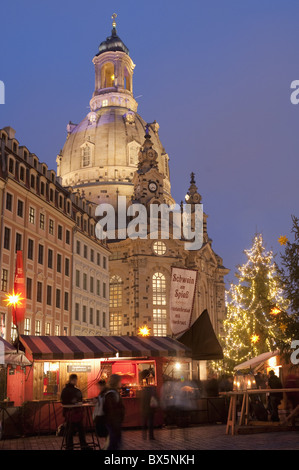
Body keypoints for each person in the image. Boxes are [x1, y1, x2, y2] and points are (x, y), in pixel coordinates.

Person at [60, 374, 90, 450]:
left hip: (68, 413)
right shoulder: (77, 391)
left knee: (70, 430)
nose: (76, 381)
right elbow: (80, 400)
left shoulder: (65, 390)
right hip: (76, 412)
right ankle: (83, 445)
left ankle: (69, 447)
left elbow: (63, 401)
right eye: (75, 380)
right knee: (80, 430)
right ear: (73, 380)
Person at [103, 374, 125, 450]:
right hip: (113, 423)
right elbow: (113, 410)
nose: (121, 383)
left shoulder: (111, 393)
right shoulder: (112, 394)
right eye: (120, 381)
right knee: (113, 444)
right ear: (116, 382)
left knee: (113, 443)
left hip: (113, 422)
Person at [93, 380, 109, 446]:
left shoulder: (105, 393)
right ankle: (107, 445)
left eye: (99, 386)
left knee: (106, 432)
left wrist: (97, 400)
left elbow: (103, 402)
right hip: (105, 414)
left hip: (104, 415)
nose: (98, 387)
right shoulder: (104, 392)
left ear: (102, 386)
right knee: (106, 432)